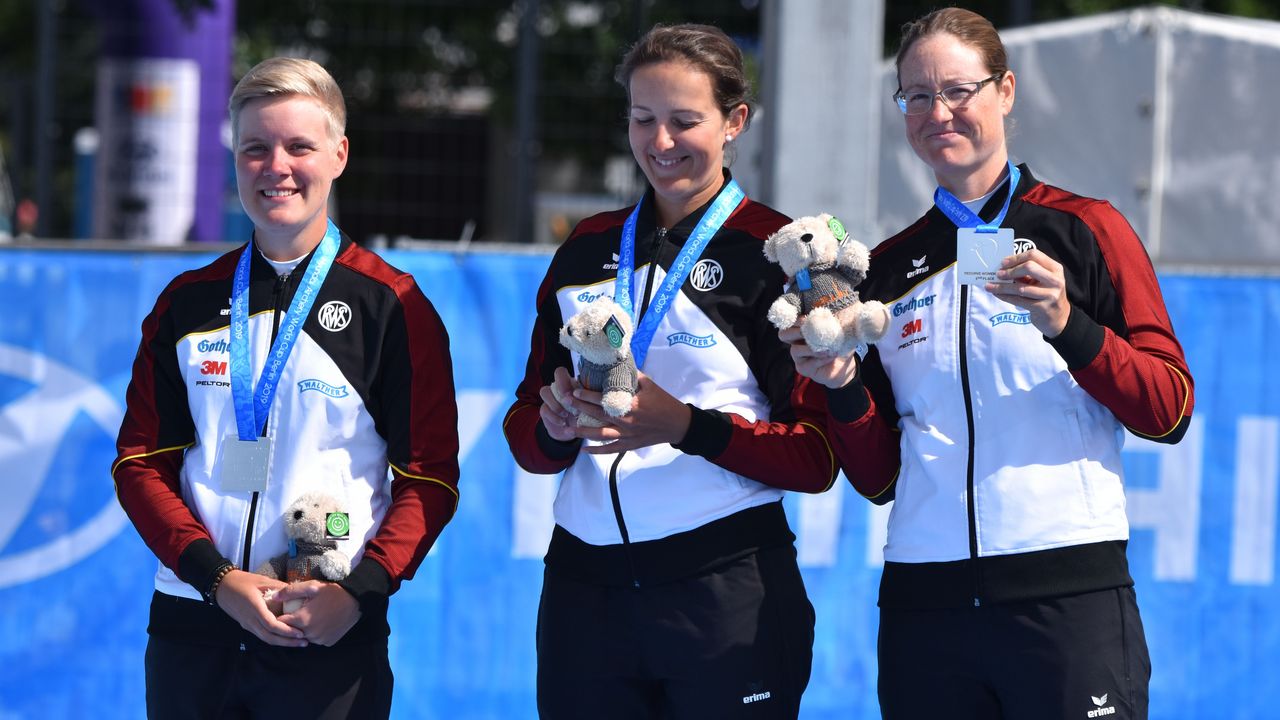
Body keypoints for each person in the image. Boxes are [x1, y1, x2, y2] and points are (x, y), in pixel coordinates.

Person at [781, 8, 1195, 719]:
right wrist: (844, 387)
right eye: (916, 95)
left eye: (957, 91)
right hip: (927, 607)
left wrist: (1069, 325)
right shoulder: (887, 269)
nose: (937, 112)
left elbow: (1169, 409)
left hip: (1065, 598)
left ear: (1005, 91)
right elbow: (879, 478)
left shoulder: (1085, 229)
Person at [503, 23, 835, 719]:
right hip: (583, 591)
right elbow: (525, 436)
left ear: (734, 121)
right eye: (643, 118)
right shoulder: (587, 246)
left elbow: (816, 457)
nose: (660, 143)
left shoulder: (772, 253)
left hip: (722, 590)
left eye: (685, 121)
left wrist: (683, 426)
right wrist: (556, 425)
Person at [111, 57, 460, 719]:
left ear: (338, 153)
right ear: (235, 160)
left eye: (300, 146)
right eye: (255, 148)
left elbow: (430, 479)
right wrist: (216, 581)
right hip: (194, 627)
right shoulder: (187, 303)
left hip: (323, 624)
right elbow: (140, 466)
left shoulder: (393, 306)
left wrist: (359, 591)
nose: (277, 166)